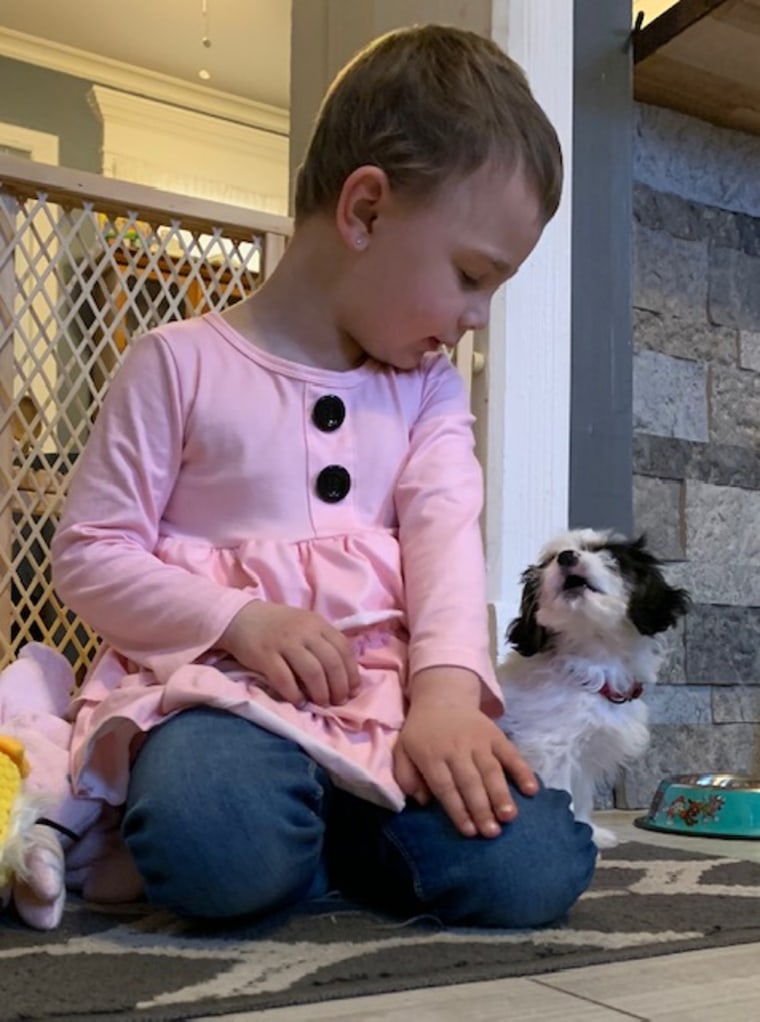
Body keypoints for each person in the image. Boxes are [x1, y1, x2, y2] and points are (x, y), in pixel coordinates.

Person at [51, 23, 596, 928]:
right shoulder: (175, 363)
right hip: (217, 698)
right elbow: (92, 556)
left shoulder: (426, 392)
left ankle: (318, 844)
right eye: (471, 277)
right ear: (366, 211)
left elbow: (445, 546)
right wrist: (238, 618)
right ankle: (295, 845)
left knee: (535, 867)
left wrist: (448, 697)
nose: (474, 317)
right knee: (216, 838)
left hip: (383, 705)